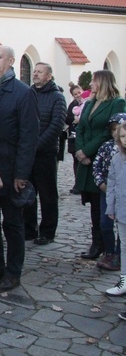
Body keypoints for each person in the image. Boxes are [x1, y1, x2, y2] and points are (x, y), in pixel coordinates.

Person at [0, 46, 38, 293]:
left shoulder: (22, 92)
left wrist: (21, 174)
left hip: (10, 169)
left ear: (12, 61)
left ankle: (13, 273)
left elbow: (29, 136)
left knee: (12, 224)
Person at [75, 70, 126, 260]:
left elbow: (111, 131)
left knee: (104, 202)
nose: (91, 85)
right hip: (87, 162)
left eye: (94, 81)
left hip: (103, 158)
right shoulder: (90, 103)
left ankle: (110, 246)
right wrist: (80, 151)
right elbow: (80, 127)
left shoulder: (116, 103)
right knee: (94, 204)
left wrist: (87, 150)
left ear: (103, 82)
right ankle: (97, 242)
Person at [24, 63, 66, 245]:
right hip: (27, 154)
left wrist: (36, 146)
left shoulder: (57, 97)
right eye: (34, 71)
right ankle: (29, 228)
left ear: (49, 76)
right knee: (27, 192)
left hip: (46, 153)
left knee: (48, 194)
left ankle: (48, 231)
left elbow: (56, 125)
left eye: (40, 72)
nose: (35, 74)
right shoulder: (28, 94)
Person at [93, 113, 126, 271]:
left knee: (122, 225)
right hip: (107, 191)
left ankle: (119, 255)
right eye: (113, 130)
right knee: (105, 223)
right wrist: (101, 183)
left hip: (122, 194)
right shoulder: (106, 147)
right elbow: (97, 166)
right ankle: (109, 251)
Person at [105, 123, 126, 297]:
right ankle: (124, 281)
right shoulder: (117, 158)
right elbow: (111, 183)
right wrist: (111, 206)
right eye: (123, 137)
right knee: (124, 247)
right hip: (122, 211)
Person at [65, 83, 85, 194]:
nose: (78, 95)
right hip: (73, 136)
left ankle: (83, 184)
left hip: (82, 137)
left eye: (79, 92)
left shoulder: (87, 103)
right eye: (75, 94)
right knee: (75, 161)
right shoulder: (72, 105)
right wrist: (73, 118)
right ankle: (77, 183)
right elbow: (67, 119)